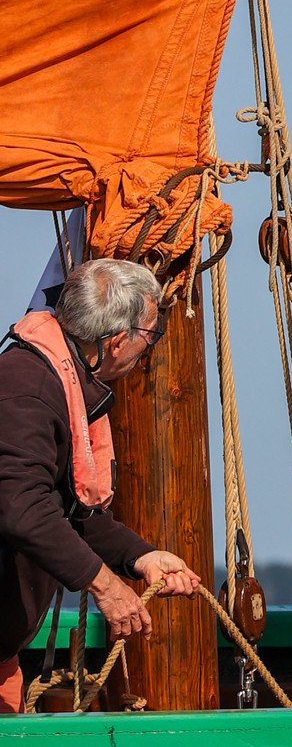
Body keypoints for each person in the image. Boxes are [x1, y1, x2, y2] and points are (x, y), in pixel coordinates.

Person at [0, 261, 203, 712]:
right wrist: (107, 587)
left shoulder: (57, 380)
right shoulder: (28, 387)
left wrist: (141, 556)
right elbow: (21, 507)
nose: (147, 352)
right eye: (150, 338)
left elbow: (68, 509)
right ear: (116, 341)